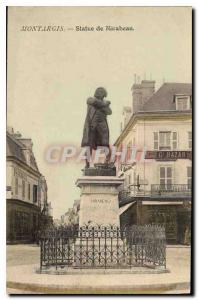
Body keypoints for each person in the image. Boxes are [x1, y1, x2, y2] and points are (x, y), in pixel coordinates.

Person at [81, 87, 112, 167]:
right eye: (103, 96)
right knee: (88, 145)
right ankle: (87, 164)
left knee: (105, 144)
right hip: (91, 126)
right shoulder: (90, 99)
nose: (103, 98)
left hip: (102, 126)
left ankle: (108, 162)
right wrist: (105, 104)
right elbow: (95, 102)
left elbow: (109, 112)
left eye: (104, 97)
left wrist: (103, 105)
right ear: (99, 93)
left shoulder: (102, 103)